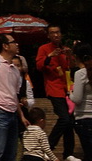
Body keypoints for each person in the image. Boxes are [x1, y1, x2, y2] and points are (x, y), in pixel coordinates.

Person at [36, 24, 75, 160]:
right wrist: (50, 56)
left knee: (70, 121)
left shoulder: (64, 50)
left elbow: (72, 67)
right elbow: (39, 66)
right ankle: (49, 146)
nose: (56, 35)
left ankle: (69, 153)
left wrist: (70, 56)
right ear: (48, 35)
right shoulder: (44, 49)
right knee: (64, 118)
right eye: (52, 33)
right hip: (54, 88)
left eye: (58, 32)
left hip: (67, 89)